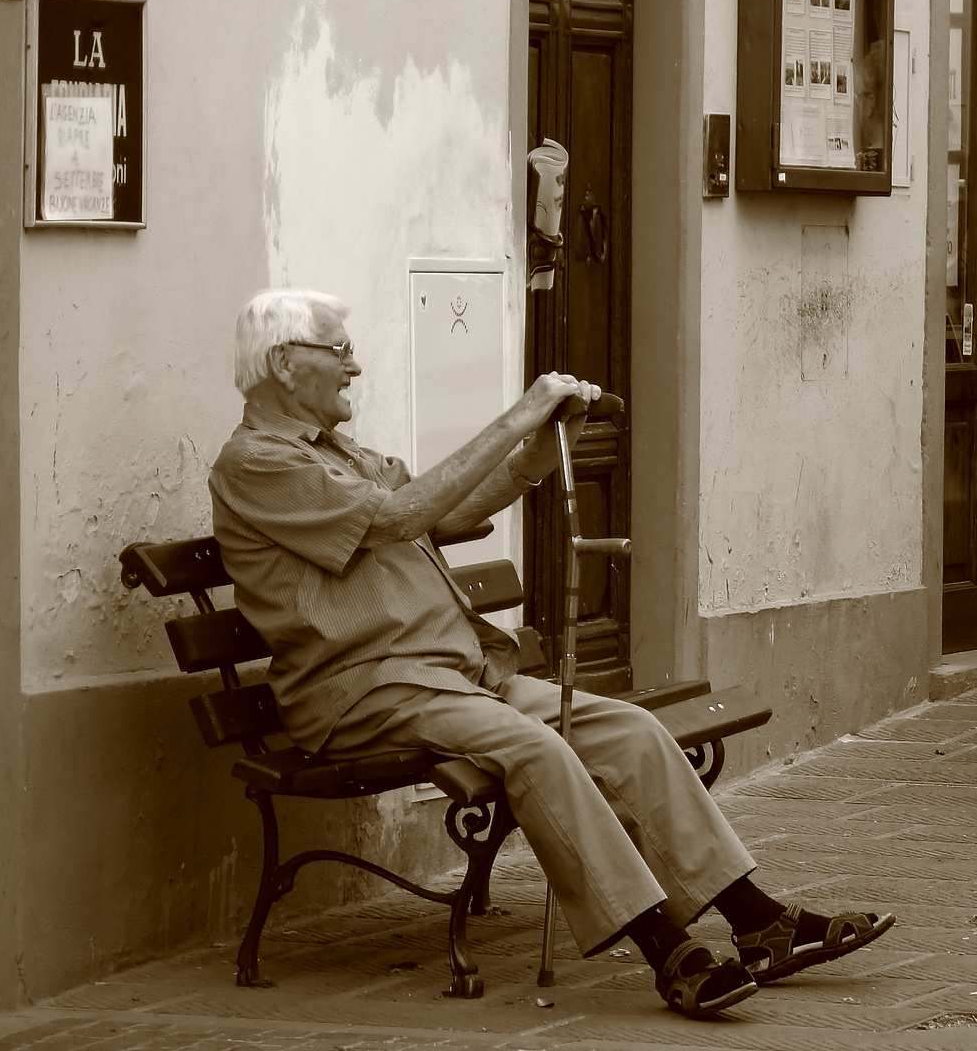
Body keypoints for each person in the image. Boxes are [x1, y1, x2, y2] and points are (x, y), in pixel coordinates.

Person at [208, 288, 894, 1017]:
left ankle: (763, 923)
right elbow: (399, 518)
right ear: (284, 363)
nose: (356, 366)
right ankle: (669, 952)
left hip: (451, 676)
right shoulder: (256, 462)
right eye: (339, 350)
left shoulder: (341, 454)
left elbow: (454, 512)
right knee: (534, 749)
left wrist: (534, 450)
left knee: (629, 730)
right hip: (362, 690)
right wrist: (520, 411)